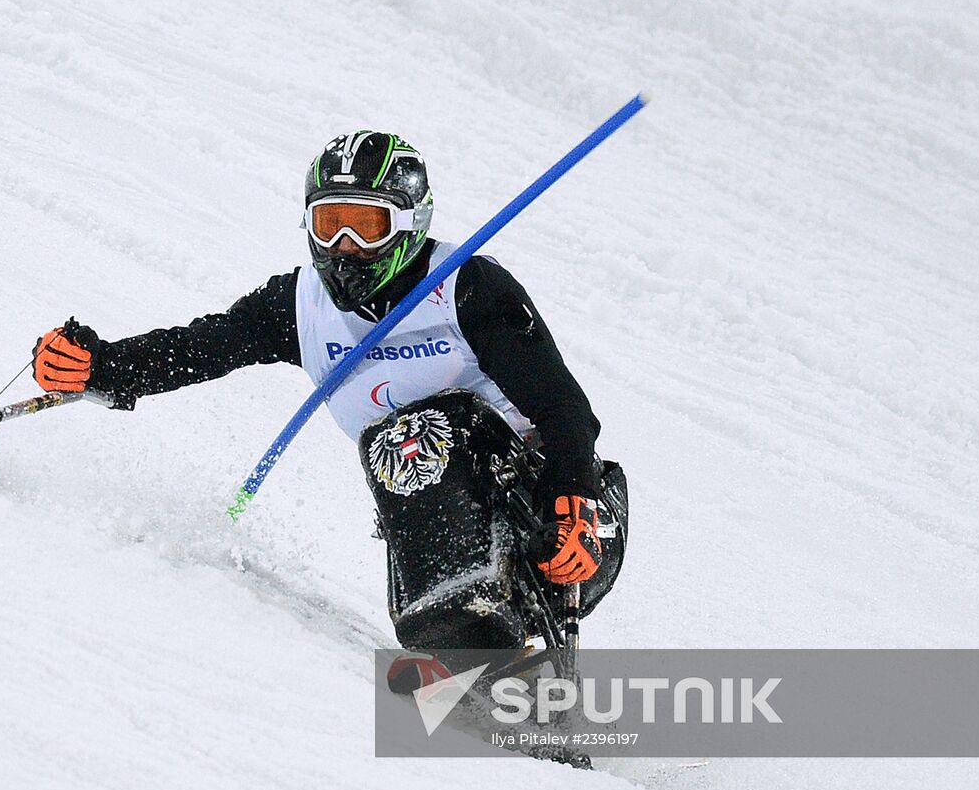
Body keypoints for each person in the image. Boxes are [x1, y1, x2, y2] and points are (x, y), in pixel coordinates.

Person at [31, 130, 607, 599]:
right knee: (394, 447)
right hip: (434, 514)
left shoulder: (467, 287)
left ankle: (510, 626)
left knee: (417, 430)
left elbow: (563, 407)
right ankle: (464, 642)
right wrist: (100, 366)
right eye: (330, 225)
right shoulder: (300, 305)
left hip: (560, 503)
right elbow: (200, 348)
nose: (346, 247)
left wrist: (572, 500)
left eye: (368, 225)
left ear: (410, 224)